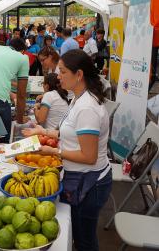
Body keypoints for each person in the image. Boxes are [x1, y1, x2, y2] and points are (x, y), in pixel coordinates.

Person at [23, 49, 112, 251]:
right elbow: (71, 134)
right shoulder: (77, 99)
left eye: (62, 72)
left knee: (84, 240)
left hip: (90, 182)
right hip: (81, 178)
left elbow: (88, 157)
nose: (58, 76)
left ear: (78, 74)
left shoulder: (87, 107)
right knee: (80, 235)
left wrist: (52, 152)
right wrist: (44, 130)